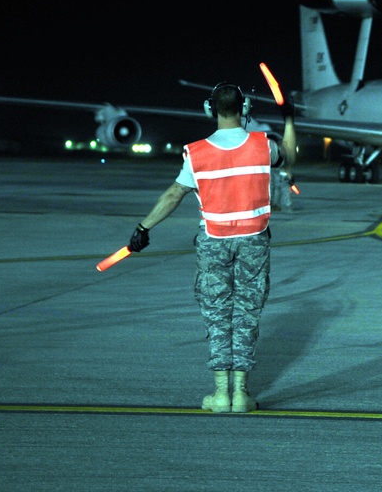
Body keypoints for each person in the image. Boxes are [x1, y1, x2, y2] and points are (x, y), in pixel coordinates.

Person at [126, 82, 296, 413]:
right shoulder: (264, 146)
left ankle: (220, 395)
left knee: (217, 314)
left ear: (210, 109)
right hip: (254, 240)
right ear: (245, 109)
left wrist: (143, 227)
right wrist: (288, 120)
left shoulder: (197, 152)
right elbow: (290, 156)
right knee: (247, 314)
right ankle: (241, 394)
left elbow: (174, 194)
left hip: (213, 242)